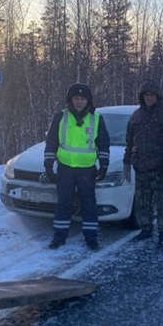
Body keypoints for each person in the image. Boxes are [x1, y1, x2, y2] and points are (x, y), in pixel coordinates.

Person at [42, 83, 110, 250]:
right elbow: (51, 142)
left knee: (89, 203)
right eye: (76, 98)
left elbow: (103, 143)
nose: (79, 102)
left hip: (87, 169)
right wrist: (48, 165)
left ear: (88, 101)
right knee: (63, 203)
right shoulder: (61, 117)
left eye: (82, 99)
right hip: (65, 168)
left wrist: (104, 165)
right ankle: (59, 237)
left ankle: (91, 238)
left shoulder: (96, 119)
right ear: (70, 100)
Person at [123, 81, 163, 246]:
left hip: (161, 168)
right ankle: (146, 229)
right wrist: (127, 162)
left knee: (162, 204)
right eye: (146, 95)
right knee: (142, 202)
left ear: (157, 96)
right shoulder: (136, 116)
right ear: (142, 97)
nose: (149, 98)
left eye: (151, 95)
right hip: (141, 167)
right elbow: (129, 140)